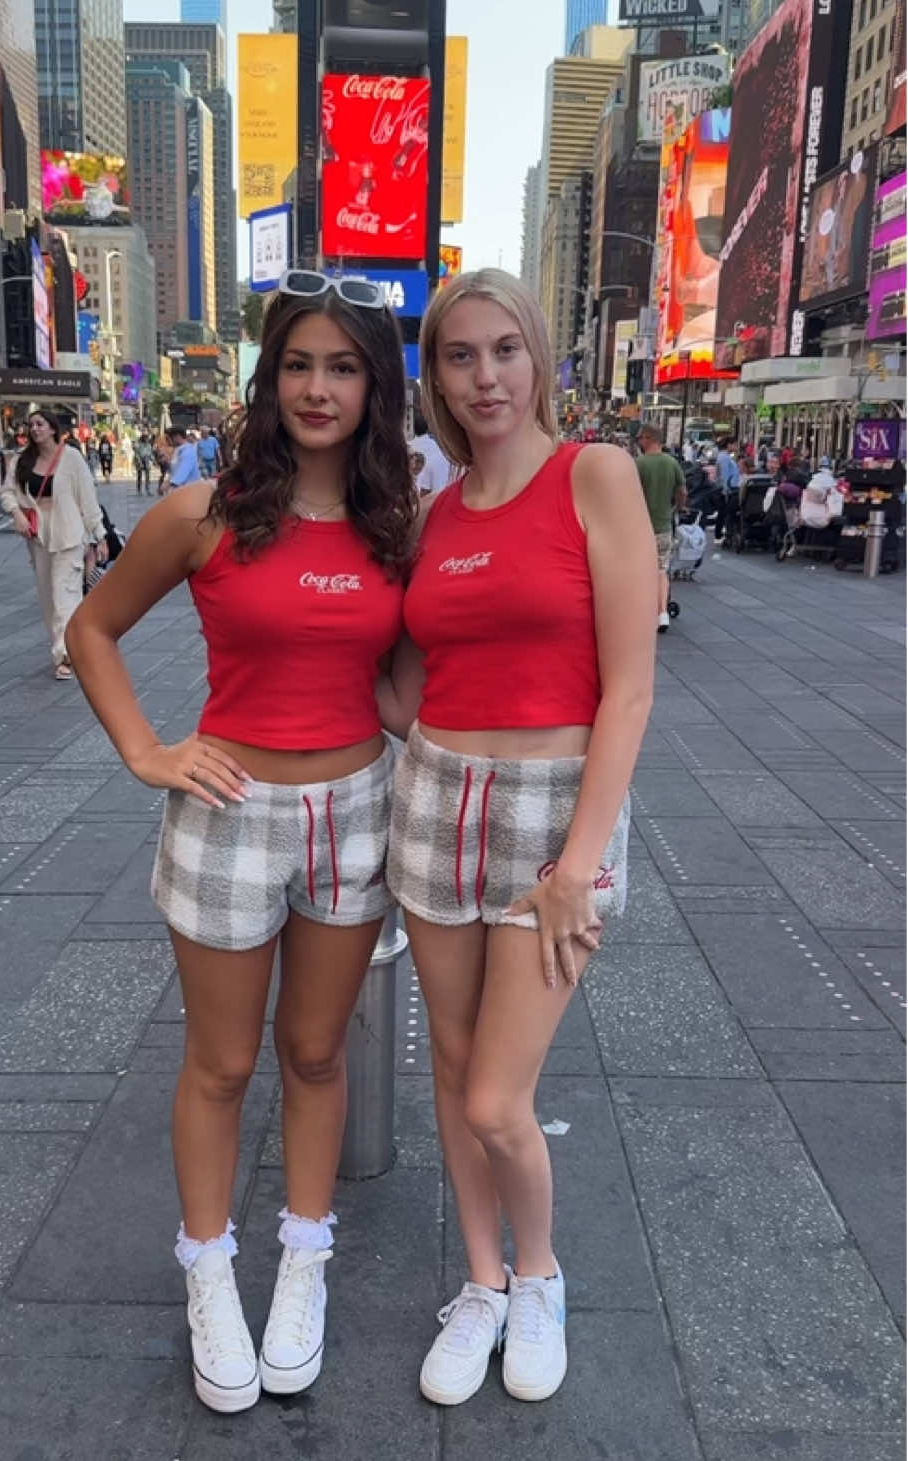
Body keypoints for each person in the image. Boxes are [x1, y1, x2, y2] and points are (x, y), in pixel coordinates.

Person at [65, 269, 416, 1414]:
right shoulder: (203, 514)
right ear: (270, 382)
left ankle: (302, 1261)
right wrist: (147, 753)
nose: (319, 388)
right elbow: (92, 628)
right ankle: (209, 1268)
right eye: (300, 365)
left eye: (344, 366)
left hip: (356, 810)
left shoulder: (393, 522)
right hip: (228, 812)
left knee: (317, 1056)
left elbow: (417, 672)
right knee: (220, 1064)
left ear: (375, 385)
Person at [379, 270, 655, 1408]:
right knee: (450, 1068)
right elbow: (404, 679)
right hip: (437, 798)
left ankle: (539, 1274)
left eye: (504, 350)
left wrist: (579, 867)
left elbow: (631, 690)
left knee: (500, 1095)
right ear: (434, 374)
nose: (484, 376)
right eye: (458, 356)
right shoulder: (435, 514)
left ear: (539, 356)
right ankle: (481, 1284)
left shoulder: (595, 476)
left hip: (555, 813)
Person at [0, 409, 109, 679]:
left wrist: (100, 534)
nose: (35, 429)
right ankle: (66, 645)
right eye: (32, 424)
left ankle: (65, 657)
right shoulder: (21, 461)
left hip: (69, 535)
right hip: (38, 536)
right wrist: (17, 514)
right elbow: (7, 492)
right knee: (48, 597)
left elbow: (88, 499)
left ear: (52, 428)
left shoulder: (71, 458)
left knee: (65, 595)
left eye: (40, 424)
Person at [635, 424, 687, 633]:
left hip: (639, 528)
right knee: (661, 570)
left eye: (640, 438)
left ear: (649, 438)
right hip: (664, 526)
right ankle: (662, 612)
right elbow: (682, 491)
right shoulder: (672, 463)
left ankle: (641, 611)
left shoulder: (639, 464)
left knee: (638, 571)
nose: (639, 442)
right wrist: (677, 507)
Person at [409, 406, 454, 495]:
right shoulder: (438, 448)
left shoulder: (408, 447)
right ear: (428, 428)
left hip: (414, 495)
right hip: (436, 493)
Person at [713, 438, 741, 542]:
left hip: (729, 489)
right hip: (727, 490)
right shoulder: (724, 458)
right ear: (729, 445)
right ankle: (718, 535)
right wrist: (726, 490)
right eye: (735, 445)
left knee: (723, 512)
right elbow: (724, 475)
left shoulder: (726, 457)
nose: (737, 447)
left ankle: (720, 534)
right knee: (723, 512)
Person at [164, 426, 202, 492]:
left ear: (177, 437)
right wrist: (167, 463)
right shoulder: (178, 449)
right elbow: (174, 469)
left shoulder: (188, 451)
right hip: (180, 491)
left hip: (189, 491)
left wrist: (168, 484)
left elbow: (182, 471)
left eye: (169, 438)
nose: (168, 441)